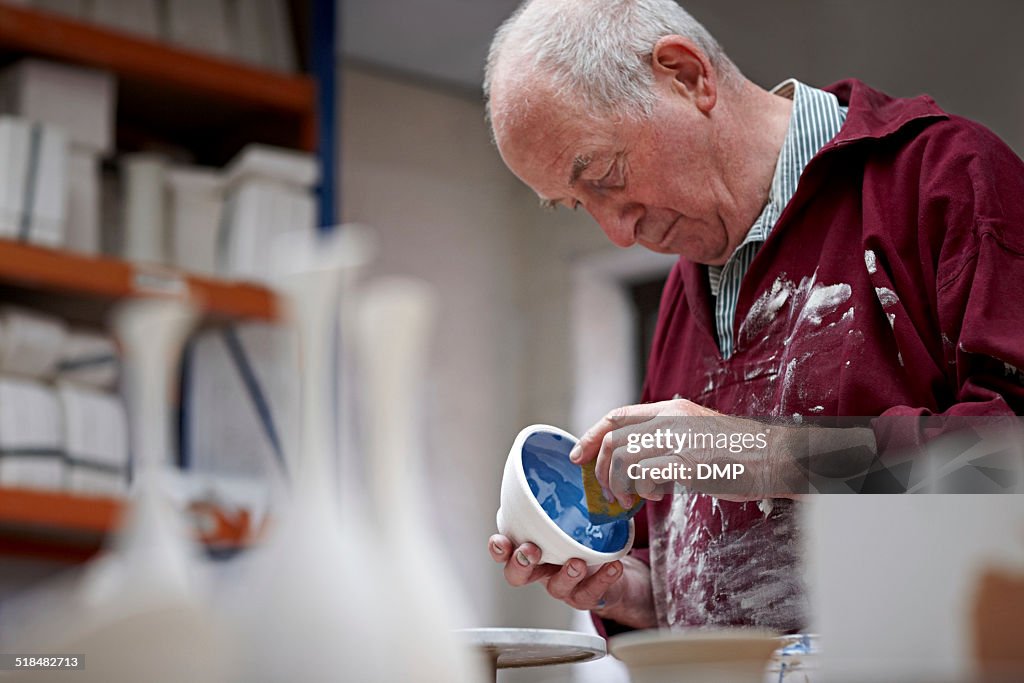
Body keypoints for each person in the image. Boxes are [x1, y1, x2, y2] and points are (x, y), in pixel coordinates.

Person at [484, 0, 1024, 635]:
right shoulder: (689, 292)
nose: (618, 232)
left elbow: (1007, 463)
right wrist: (630, 591)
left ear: (687, 76)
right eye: (576, 206)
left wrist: (765, 454)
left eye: (606, 174)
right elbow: (747, 585)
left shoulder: (945, 178)